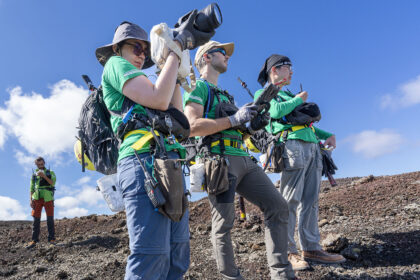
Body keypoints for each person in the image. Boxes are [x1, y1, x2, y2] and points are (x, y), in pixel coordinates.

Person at [95, 20, 213, 279]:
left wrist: (177, 69)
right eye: (135, 47)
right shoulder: (115, 65)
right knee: (151, 255)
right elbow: (159, 99)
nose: (141, 54)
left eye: (145, 50)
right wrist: (177, 46)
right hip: (142, 163)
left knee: (176, 255)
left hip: (168, 163)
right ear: (118, 49)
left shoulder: (148, 82)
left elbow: (179, 118)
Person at [184, 41, 296, 280]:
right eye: (222, 52)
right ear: (206, 57)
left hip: (244, 158)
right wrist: (235, 119)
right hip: (220, 162)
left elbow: (236, 128)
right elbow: (192, 126)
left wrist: (251, 126)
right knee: (223, 225)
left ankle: (282, 274)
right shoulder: (198, 89)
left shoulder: (225, 94)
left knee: (277, 206)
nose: (227, 57)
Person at [255, 54, 345, 271]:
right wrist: (299, 99)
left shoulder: (286, 93)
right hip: (291, 147)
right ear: (274, 70)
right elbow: (275, 112)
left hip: (312, 147)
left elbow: (307, 124)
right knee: (290, 201)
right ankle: (288, 251)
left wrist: (327, 133)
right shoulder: (265, 93)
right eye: (288, 67)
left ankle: (312, 248)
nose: (292, 72)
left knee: (311, 200)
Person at [26, 156, 56, 249]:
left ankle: (52, 239)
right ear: (36, 165)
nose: (40, 166)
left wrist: (44, 176)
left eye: (42, 164)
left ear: (44, 163)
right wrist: (31, 200)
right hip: (37, 198)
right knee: (36, 220)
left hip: (48, 197)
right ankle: (34, 240)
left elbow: (52, 183)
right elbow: (31, 188)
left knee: (50, 219)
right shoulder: (34, 175)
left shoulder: (50, 172)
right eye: (38, 165)